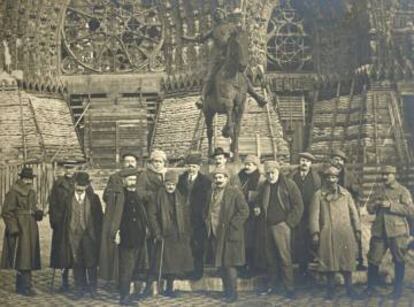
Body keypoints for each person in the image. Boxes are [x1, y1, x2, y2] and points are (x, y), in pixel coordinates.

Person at [309, 166, 363, 300]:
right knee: (329, 263)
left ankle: (350, 289)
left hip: (344, 232)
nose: (331, 180)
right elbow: (314, 215)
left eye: (334, 177)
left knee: (347, 262)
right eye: (328, 177)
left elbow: (353, 213)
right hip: (328, 232)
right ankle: (330, 291)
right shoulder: (318, 195)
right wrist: (315, 232)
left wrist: (357, 229)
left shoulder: (346, 194)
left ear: (338, 179)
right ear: (325, 179)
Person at [254, 161, 303, 299]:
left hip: (282, 226)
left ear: (278, 171)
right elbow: (258, 199)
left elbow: (298, 205)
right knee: (270, 258)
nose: (270, 176)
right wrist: (257, 207)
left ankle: (289, 288)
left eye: (272, 172)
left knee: (284, 257)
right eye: (267, 173)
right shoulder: (264, 186)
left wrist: (289, 223)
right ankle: (272, 286)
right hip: (267, 226)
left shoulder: (288, 185)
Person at [365, 166, 414, 300]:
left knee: (399, 259)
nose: (385, 177)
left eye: (388, 174)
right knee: (373, 259)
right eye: (383, 174)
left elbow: (410, 211)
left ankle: (397, 290)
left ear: (394, 175)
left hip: (397, 231)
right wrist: (374, 205)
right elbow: (369, 208)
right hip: (379, 231)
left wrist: (391, 205)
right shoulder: (378, 190)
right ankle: (370, 288)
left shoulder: (402, 191)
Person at [204, 168, 249, 303]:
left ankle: (232, 294)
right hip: (215, 232)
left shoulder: (234, 192)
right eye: (216, 178)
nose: (218, 180)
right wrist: (207, 221)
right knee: (221, 264)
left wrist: (233, 225)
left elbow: (244, 211)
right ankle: (226, 292)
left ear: (226, 178)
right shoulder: (211, 192)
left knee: (230, 264)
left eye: (221, 177)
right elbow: (207, 209)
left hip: (230, 234)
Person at [148, 170, 194, 298]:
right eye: (168, 184)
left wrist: (186, 232)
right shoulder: (157, 196)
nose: (171, 187)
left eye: (173, 184)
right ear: (164, 183)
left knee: (174, 263)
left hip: (177, 233)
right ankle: (151, 288)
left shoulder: (179, 196)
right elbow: (152, 216)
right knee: (160, 262)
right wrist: (157, 232)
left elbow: (185, 215)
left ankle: (169, 288)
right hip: (163, 233)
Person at [0, 167, 43, 296]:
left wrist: (38, 213)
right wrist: (13, 228)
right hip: (20, 227)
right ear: (21, 179)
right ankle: (26, 287)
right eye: (26, 179)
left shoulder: (32, 191)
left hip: (30, 226)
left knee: (28, 256)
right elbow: (6, 212)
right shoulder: (14, 192)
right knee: (23, 257)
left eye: (30, 179)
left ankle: (21, 286)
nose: (29, 181)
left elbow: (33, 208)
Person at [99, 152, 139, 284]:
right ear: (122, 163)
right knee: (117, 252)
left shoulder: (140, 176)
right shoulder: (114, 177)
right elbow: (106, 196)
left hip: (134, 217)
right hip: (119, 216)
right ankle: (117, 280)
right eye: (127, 161)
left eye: (132, 161)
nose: (130, 163)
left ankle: (133, 280)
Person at [113, 169, 149, 306]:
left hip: (139, 238)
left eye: (134, 180)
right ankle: (124, 296)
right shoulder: (121, 196)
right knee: (126, 269)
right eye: (129, 179)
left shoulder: (137, 195)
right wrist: (116, 232)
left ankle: (134, 293)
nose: (132, 182)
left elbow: (142, 215)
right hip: (126, 238)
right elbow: (116, 217)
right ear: (124, 181)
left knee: (136, 267)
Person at [65, 172, 102, 298]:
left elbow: (99, 218)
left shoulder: (94, 198)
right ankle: (79, 289)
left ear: (87, 186)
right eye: (79, 185)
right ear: (74, 184)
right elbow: (63, 218)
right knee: (77, 262)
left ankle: (93, 289)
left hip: (89, 235)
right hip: (73, 235)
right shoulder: (68, 198)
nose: (81, 188)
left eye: (83, 186)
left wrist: (97, 235)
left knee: (91, 263)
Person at [137, 149, 168, 297]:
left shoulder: (167, 174)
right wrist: (155, 195)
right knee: (151, 250)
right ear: (150, 163)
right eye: (155, 161)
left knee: (165, 250)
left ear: (164, 163)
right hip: (150, 216)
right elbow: (139, 193)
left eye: (160, 161)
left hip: (166, 216)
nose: (157, 164)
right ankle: (150, 283)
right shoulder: (145, 175)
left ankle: (164, 282)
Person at [329, 149, 366, 271]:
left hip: (348, 208)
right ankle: (336, 262)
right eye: (335, 159)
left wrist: (353, 188)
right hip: (332, 208)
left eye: (340, 160)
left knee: (353, 232)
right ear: (331, 160)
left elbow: (359, 190)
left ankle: (357, 260)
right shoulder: (327, 174)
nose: (338, 162)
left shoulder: (349, 175)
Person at [177, 153, 211, 280]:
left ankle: (197, 272)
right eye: (190, 166)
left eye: (194, 166)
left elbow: (208, 200)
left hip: (198, 218)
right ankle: (185, 269)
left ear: (199, 167)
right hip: (183, 217)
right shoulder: (181, 179)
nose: (192, 169)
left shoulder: (205, 181)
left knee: (198, 245)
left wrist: (204, 215)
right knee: (185, 244)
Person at [48, 160, 81, 292]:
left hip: (76, 223)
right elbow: (53, 203)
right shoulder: (58, 184)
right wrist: (55, 221)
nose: (69, 171)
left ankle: (79, 281)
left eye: (72, 169)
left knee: (77, 251)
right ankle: (64, 281)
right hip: (62, 224)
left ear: (76, 169)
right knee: (63, 254)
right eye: (67, 169)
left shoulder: (80, 182)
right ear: (64, 169)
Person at [288, 152, 321, 281]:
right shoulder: (293, 176)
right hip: (296, 213)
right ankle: (298, 269)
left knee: (309, 239)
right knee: (297, 239)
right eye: (302, 160)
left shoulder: (315, 178)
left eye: (307, 161)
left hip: (309, 213)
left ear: (311, 164)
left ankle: (306, 268)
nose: (304, 163)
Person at [237, 154, 265, 276]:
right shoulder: (239, 176)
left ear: (256, 166)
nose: (247, 167)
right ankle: (243, 265)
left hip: (254, 213)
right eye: (246, 164)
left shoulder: (260, 178)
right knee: (242, 240)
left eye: (250, 164)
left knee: (253, 240)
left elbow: (262, 194)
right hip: (241, 211)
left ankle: (254, 266)